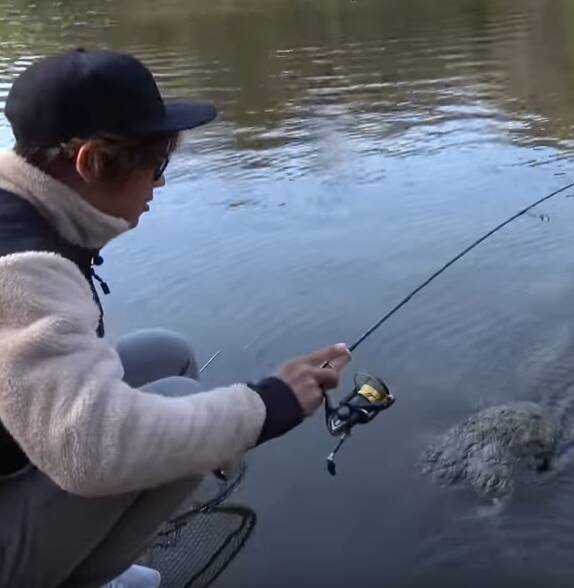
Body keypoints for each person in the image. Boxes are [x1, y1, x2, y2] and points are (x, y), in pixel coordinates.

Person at [0, 48, 352, 588]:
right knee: (179, 413)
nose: (160, 186)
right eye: (155, 166)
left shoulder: (18, 203)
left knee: (168, 355)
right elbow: (92, 451)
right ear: (90, 163)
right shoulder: (20, 267)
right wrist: (267, 406)